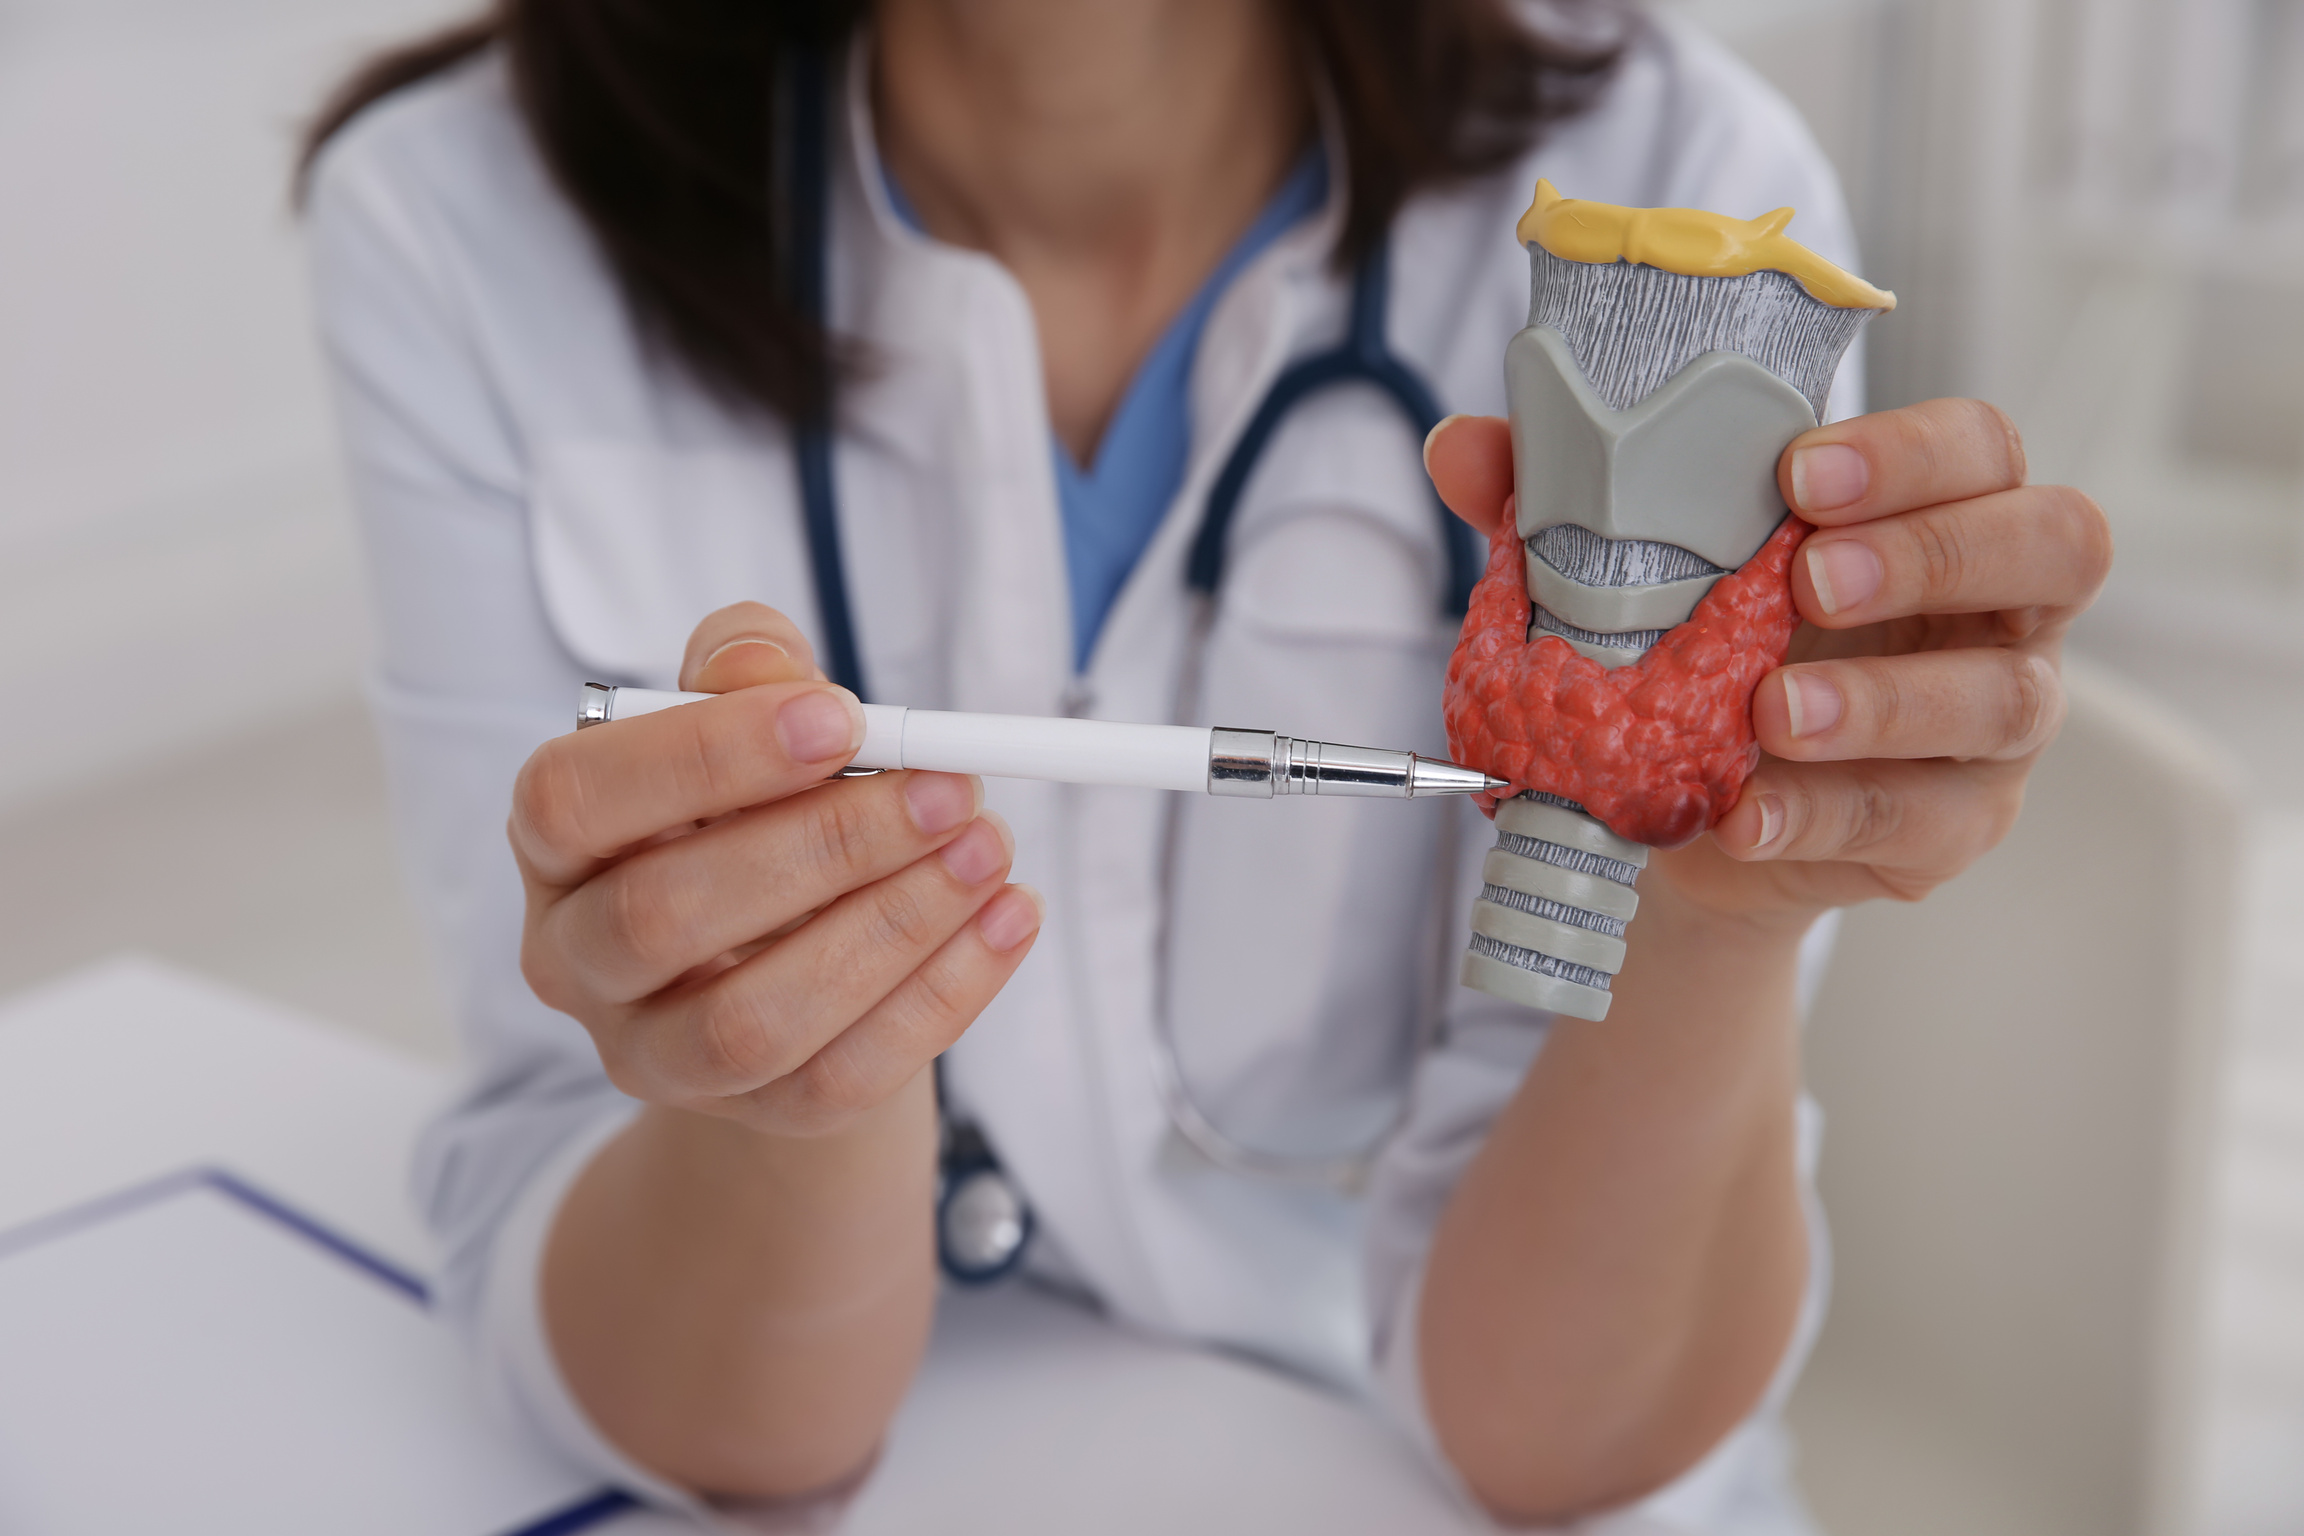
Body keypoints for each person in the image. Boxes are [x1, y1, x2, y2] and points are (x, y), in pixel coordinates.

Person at [299, 1, 2110, 1528]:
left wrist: (1714, 921)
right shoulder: (458, 226)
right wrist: (796, 1065)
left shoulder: (1689, 189)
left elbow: (1551, 1444)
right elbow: (699, 1403)